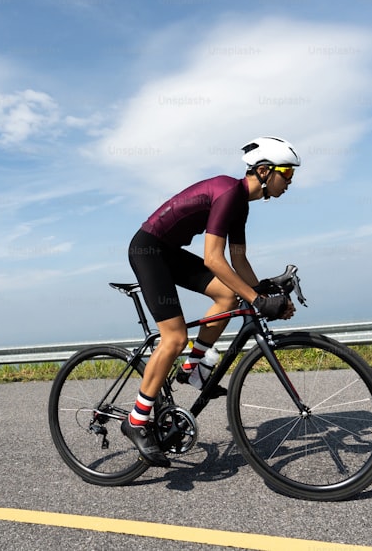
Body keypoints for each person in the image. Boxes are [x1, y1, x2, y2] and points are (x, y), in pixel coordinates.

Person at [121, 136, 299, 467]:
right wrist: (258, 301)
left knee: (226, 295)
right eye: (286, 173)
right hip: (148, 250)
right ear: (264, 171)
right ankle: (136, 420)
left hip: (168, 253)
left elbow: (238, 259)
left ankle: (193, 368)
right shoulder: (230, 193)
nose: (290, 181)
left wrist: (264, 290)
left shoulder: (240, 204)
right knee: (174, 338)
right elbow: (214, 259)